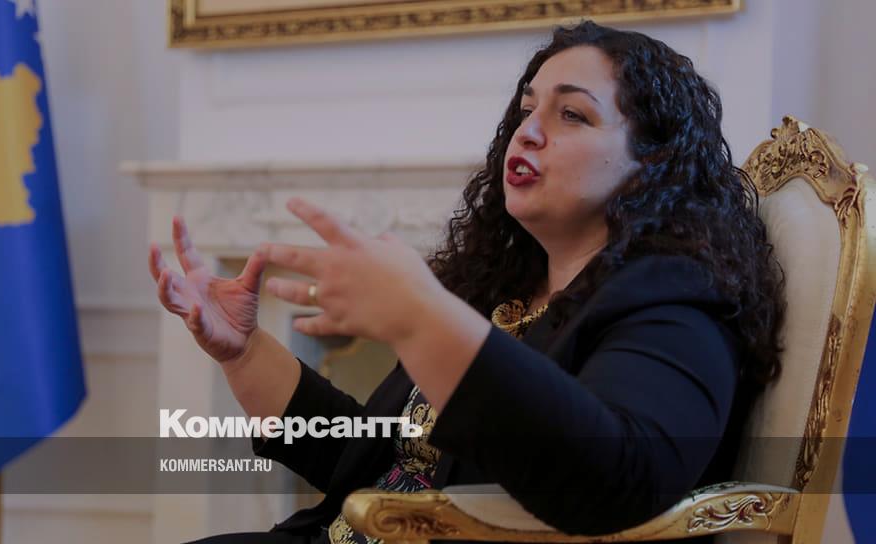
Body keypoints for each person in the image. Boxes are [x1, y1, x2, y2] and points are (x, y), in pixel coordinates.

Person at [148, 20, 785, 544]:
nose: (527, 130)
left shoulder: (676, 298)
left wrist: (422, 317)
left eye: (572, 114)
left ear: (652, 164)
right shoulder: (502, 290)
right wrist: (244, 350)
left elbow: (617, 482)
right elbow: (368, 464)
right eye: (527, 108)